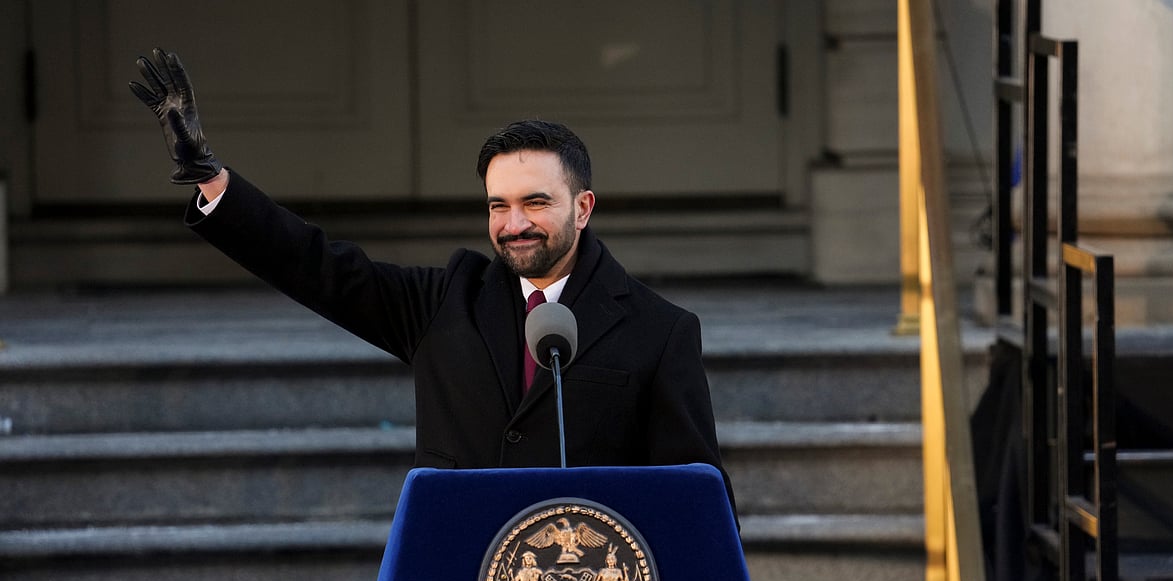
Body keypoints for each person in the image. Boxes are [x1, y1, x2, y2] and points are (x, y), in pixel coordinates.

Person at [129, 48, 736, 510]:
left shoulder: (660, 331)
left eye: (536, 203)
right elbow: (315, 267)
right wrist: (212, 181)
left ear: (583, 208)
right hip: (456, 579)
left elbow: (697, 497)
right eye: (498, 205)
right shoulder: (445, 301)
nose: (514, 224)